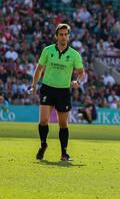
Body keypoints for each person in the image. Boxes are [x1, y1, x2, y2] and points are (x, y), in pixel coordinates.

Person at [30, 23, 84, 161]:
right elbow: (39, 69)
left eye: (66, 34)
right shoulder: (48, 50)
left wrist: (77, 81)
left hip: (63, 91)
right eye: (61, 34)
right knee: (43, 120)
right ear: (56, 36)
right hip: (47, 88)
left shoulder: (74, 54)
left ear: (69, 36)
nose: (63, 37)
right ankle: (43, 144)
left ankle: (64, 153)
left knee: (63, 124)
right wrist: (33, 85)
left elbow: (81, 73)